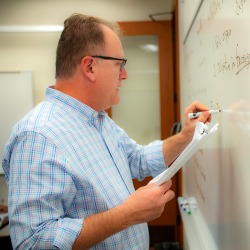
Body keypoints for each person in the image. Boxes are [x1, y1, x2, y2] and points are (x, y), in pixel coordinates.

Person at [2, 13, 211, 250]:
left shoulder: (98, 119)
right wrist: (128, 214)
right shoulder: (37, 136)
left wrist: (186, 136)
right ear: (90, 66)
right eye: (119, 64)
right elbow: (33, 242)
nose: (125, 74)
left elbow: (138, 159)